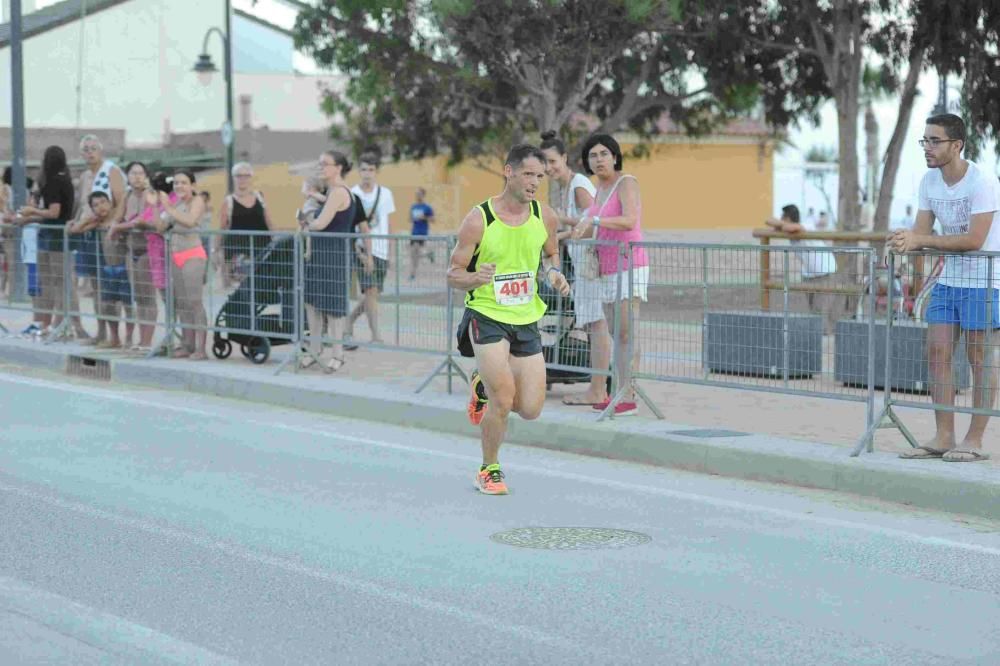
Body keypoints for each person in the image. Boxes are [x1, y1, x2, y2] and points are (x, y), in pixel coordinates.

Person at [450, 144, 570, 495]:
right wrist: (475, 278)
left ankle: (480, 385)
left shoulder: (544, 216)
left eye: (540, 176)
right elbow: (453, 273)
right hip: (487, 314)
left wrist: (554, 275)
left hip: (525, 317)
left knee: (530, 408)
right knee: (503, 399)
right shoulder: (479, 219)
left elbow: (551, 255)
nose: (535, 182)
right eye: (529, 174)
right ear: (509, 172)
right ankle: (489, 469)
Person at [890, 113, 1000, 463]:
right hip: (949, 280)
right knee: (937, 353)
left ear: (957, 145)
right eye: (924, 140)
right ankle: (943, 435)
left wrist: (920, 238)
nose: (927, 147)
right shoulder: (928, 181)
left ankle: (975, 439)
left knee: (979, 359)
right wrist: (905, 240)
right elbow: (921, 233)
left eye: (935, 141)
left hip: (985, 280)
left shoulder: (982, 181)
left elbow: (975, 239)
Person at [571, 134, 648, 416]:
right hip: (606, 268)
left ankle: (628, 396)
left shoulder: (626, 182)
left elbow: (629, 220)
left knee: (627, 332)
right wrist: (561, 235)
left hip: (629, 265)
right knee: (617, 333)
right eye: (593, 155)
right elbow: (590, 227)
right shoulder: (599, 189)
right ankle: (618, 393)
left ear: (615, 156)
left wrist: (595, 220)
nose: (599, 159)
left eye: (604, 153)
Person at [539, 130, 611, 407]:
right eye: (544, 163)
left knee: (597, 324)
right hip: (582, 266)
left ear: (564, 158)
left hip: (593, 267)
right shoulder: (566, 187)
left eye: (552, 161)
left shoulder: (579, 183)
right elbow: (577, 227)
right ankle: (596, 386)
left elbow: (591, 223)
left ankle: (598, 388)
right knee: (592, 325)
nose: (549, 168)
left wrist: (559, 221)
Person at [301, 150, 356, 372]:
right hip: (320, 255)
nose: (321, 167)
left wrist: (305, 220)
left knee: (333, 308)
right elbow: (326, 206)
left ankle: (337, 354)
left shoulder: (339, 192)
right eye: (320, 163)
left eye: (325, 164)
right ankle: (315, 350)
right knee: (312, 303)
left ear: (338, 168)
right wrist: (313, 196)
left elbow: (321, 223)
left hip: (333, 255)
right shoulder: (333, 192)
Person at [16, 147, 75, 338]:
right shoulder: (62, 178)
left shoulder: (54, 182)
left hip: (56, 237)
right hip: (51, 235)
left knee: (57, 282)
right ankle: (47, 323)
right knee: (48, 282)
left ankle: (58, 323)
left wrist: (31, 213)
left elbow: (54, 212)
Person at [74, 134, 126, 344]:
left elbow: (121, 200)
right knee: (95, 287)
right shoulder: (86, 176)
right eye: (85, 149)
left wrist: (111, 224)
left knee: (109, 285)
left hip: (107, 236)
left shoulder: (111, 171)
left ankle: (115, 336)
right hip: (89, 235)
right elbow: (83, 206)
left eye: (93, 148)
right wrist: (75, 221)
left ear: (100, 150)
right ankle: (101, 332)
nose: (89, 152)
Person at [765, 204, 843, 333]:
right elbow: (768, 221)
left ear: (788, 218)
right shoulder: (786, 230)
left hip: (826, 271)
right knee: (813, 311)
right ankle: (819, 340)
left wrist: (781, 225)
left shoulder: (806, 225)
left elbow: (793, 227)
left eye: (783, 216)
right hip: (809, 274)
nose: (780, 218)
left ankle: (825, 340)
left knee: (820, 311)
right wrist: (781, 225)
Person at [156, 170, 209, 359]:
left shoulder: (197, 201)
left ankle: (201, 348)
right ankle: (188, 345)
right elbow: (160, 227)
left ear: (192, 185)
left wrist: (169, 209)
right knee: (183, 303)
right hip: (175, 254)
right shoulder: (175, 204)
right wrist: (159, 207)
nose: (179, 186)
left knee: (195, 302)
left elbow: (190, 221)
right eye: (176, 183)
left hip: (192, 254)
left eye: (183, 182)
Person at [346, 152, 394, 348]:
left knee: (372, 295)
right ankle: (376, 335)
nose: (367, 174)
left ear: (377, 172)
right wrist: (360, 252)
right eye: (364, 169)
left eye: (371, 170)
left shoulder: (385, 194)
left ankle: (349, 320)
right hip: (362, 249)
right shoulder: (352, 193)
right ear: (359, 171)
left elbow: (389, 223)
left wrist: (390, 250)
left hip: (381, 249)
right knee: (371, 291)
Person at [108, 161, 158, 351]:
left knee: (148, 297)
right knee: (138, 297)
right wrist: (114, 226)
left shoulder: (151, 194)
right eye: (133, 173)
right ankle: (141, 340)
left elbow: (142, 220)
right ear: (127, 176)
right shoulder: (127, 195)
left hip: (147, 251)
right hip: (131, 251)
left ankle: (147, 341)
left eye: (140, 173)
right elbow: (118, 217)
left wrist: (118, 228)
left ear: (146, 176)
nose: (137, 176)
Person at [87, 191, 133, 348]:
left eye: (103, 202)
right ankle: (114, 338)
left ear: (110, 203)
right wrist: (87, 219)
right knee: (108, 304)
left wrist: (125, 196)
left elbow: (121, 207)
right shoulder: (97, 224)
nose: (100, 207)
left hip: (123, 267)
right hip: (108, 269)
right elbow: (74, 230)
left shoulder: (118, 222)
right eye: (95, 205)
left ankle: (129, 338)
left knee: (128, 305)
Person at [218, 162, 272, 288]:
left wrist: (277, 239)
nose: (242, 179)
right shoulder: (228, 202)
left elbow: (269, 221)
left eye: (246, 175)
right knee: (239, 292)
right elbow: (222, 227)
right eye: (238, 176)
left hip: (260, 252)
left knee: (260, 287)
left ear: (251, 177)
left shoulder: (259, 197)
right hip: (236, 256)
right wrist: (217, 251)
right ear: (233, 178)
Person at [408, 187, 435, 280]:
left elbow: (433, 219)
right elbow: (410, 218)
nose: (417, 196)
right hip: (414, 232)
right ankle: (428, 254)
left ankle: (413, 273)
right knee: (413, 253)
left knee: (416, 251)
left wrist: (424, 217)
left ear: (423, 195)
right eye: (416, 194)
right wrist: (412, 218)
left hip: (422, 232)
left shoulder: (427, 207)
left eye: (419, 194)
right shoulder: (413, 206)